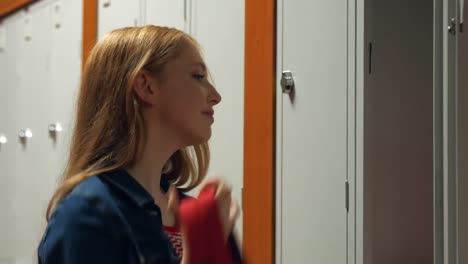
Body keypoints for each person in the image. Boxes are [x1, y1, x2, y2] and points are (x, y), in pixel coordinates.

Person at [37, 25, 242, 264]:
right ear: (146, 86)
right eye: (198, 76)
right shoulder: (87, 214)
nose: (215, 95)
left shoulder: (194, 213)